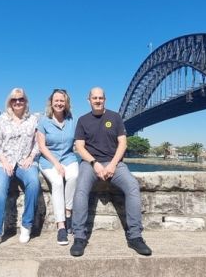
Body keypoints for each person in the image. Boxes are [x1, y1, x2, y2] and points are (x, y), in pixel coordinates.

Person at [70, 87, 152, 257]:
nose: (98, 100)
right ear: (89, 100)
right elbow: (79, 146)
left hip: (114, 163)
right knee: (80, 190)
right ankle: (79, 237)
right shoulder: (83, 120)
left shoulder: (115, 117)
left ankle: (135, 236)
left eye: (101, 98)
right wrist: (95, 163)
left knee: (132, 187)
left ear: (105, 99)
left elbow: (122, 143)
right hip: (90, 164)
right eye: (94, 98)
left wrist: (113, 164)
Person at [0, 88, 41, 248]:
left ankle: (26, 226)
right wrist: (4, 161)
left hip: (25, 162)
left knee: (34, 183)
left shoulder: (33, 119)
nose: (17, 102)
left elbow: (38, 143)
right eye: (14, 99)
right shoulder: (2, 119)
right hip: (3, 162)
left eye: (21, 99)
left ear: (26, 101)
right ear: (9, 102)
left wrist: (31, 157)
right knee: (0, 187)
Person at [37, 89, 78, 245]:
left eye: (62, 101)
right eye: (56, 101)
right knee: (58, 182)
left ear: (66, 103)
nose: (59, 103)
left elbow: (80, 141)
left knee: (73, 176)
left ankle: (68, 213)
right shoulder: (43, 121)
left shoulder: (72, 120)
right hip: (49, 160)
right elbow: (42, 147)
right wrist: (56, 164)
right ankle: (61, 226)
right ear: (51, 103)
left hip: (68, 157)